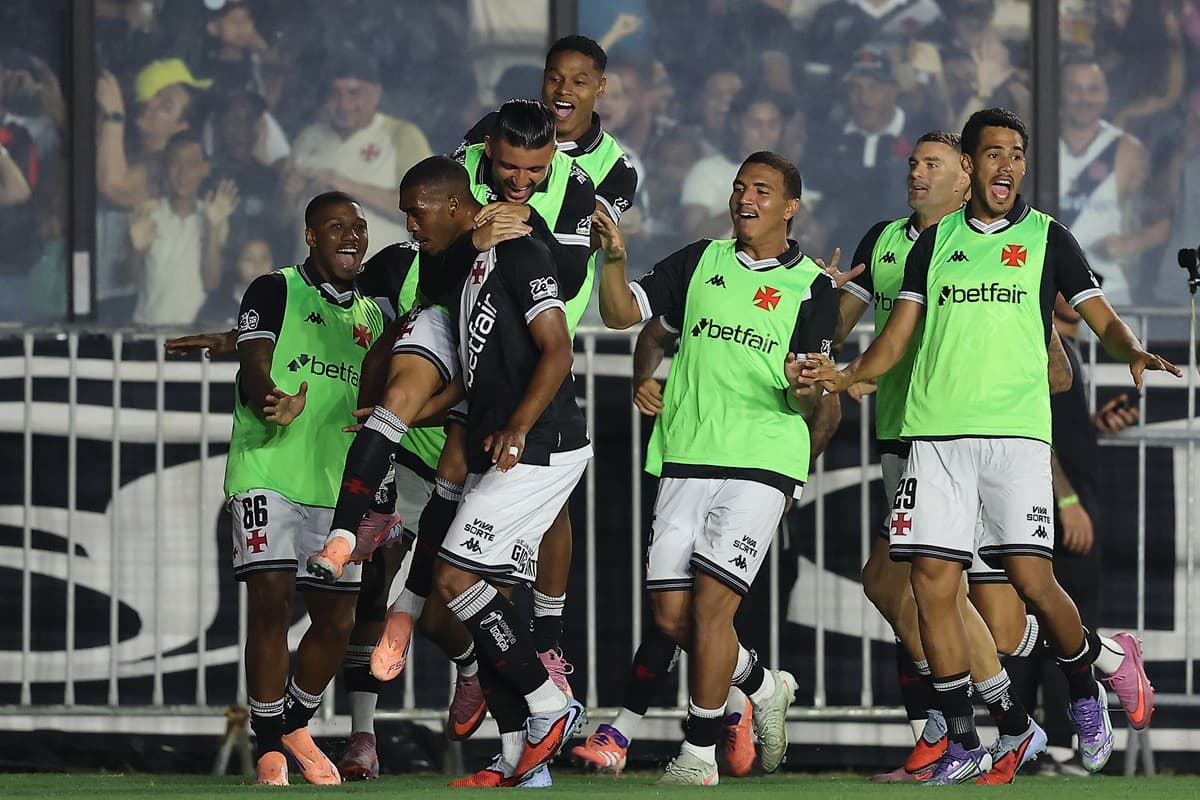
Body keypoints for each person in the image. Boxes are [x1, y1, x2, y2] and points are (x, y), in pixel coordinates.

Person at [804, 108, 1173, 783]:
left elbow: (1100, 319)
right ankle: (967, 739)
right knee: (929, 587)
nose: (1007, 166)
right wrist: (853, 375)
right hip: (934, 440)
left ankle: (1090, 684)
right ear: (974, 166)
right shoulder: (932, 243)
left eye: (1017, 154)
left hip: (1015, 441)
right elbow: (896, 336)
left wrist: (1132, 350)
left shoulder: (1047, 239)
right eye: (994, 154)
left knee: (1030, 587)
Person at [834, 130, 1076, 785]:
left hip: (951, 441)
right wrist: (832, 349)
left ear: (964, 178)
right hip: (902, 437)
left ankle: (976, 727)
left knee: (933, 592)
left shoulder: (995, 253)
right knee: (901, 586)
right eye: (912, 163)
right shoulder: (884, 244)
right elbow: (838, 326)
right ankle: (959, 731)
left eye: (930, 164)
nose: (915, 174)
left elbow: (1056, 373)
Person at [593, 150, 836, 785]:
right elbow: (623, 316)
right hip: (685, 455)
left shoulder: (814, 286)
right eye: (737, 187)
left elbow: (806, 397)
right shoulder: (700, 260)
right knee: (672, 618)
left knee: (709, 610)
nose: (744, 198)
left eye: (761, 189)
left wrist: (803, 382)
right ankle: (762, 683)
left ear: (789, 207)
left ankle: (699, 752)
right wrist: (612, 262)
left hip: (763, 460)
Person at [225, 190, 385, 786]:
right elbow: (252, 361)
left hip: (339, 486)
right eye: (335, 227)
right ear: (311, 236)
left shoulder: (372, 315)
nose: (351, 237)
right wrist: (274, 400)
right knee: (269, 601)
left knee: (338, 623)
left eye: (359, 228)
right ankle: (269, 749)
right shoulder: (273, 287)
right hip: (266, 469)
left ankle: (292, 720)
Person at [286, 55, 432, 261]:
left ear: (376, 93)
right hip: (311, 278)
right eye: (336, 94)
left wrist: (343, 185)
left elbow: (426, 206)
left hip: (377, 278)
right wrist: (289, 195)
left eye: (355, 93)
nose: (345, 104)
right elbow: (279, 220)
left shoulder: (401, 134)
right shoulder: (308, 138)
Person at [1059, 56, 1160, 307]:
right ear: (1060, 92)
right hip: (1048, 291)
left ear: (1106, 94)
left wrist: (1128, 244)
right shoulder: (1032, 146)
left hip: (1109, 291)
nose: (1085, 99)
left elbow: (1162, 221)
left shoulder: (1129, 150)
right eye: (1075, 90)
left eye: (1093, 90)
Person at [129, 131, 238, 325]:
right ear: (165, 167)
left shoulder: (214, 215)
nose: (182, 173)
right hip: (147, 330)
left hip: (193, 336)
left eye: (191, 165)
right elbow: (129, 278)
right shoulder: (148, 212)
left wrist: (213, 227)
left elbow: (211, 283)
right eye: (175, 164)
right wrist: (136, 249)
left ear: (204, 169)